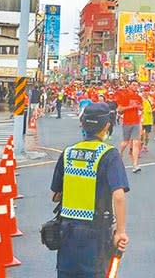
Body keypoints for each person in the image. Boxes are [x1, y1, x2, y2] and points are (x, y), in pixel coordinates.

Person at [50, 103, 129, 277]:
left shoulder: (68, 153)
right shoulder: (109, 154)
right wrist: (121, 232)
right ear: (107, 126)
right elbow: (118, 195)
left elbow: (55, 196)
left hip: (66, 232)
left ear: (83, 124)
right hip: (96, 232)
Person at [116, 80, 142, 173]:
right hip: (127, 122)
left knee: (136, 143)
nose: (135, 86)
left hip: (136, 122)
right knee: (125, 142)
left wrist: (139, 107)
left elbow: (140, 107)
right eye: (133, 85)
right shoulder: (125, 96)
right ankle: (120, 153)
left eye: (137, 85)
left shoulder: (139, 97)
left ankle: (135, 165)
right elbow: (119, 110)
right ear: (129, 86)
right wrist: (131, 107)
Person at [140, 89, 154, 153]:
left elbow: (153, 106)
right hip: (141, 119)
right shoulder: (140, 99)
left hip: (149, 119)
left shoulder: (150, 99)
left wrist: (151, 110)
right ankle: (140, 146)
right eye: (144, 91)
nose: (146, 93)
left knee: (147, 134)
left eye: (147, 91)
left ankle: (145, 146)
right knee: (141, 134)